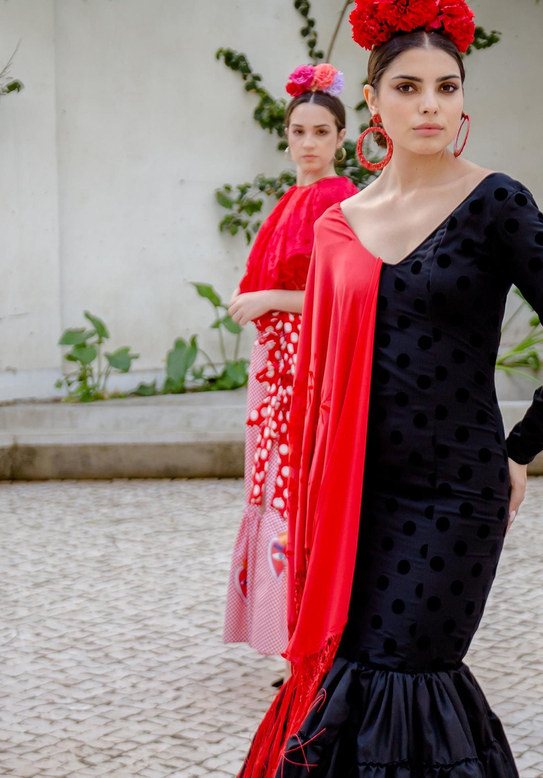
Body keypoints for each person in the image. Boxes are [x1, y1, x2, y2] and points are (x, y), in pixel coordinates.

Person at [237, 0, 543, 778]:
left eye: (447, 87)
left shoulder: (495, 203)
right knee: (349, 674)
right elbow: (322, 380)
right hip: (357, 497)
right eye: (408, 88)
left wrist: (518, 451)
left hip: (456, 496)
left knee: (406, 679)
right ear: (373, 103)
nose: (430, 105)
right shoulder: (343, 225)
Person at [225, 64, 357, 660]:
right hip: (276, 362)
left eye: (320, 132)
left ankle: (311, 641)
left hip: (309, 364)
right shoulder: (293, 198)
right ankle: (285, 636)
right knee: (276, 487)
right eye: (298, 131)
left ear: (340, 139)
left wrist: (268, 299)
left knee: (302, 490)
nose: (307, 143)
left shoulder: (342, 200)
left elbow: (345, 294)